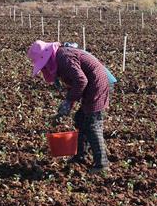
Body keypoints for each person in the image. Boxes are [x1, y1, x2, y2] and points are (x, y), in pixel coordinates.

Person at [26, 39, 113, 174]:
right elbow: (77, 82)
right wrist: (68, 104)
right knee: (80, 118)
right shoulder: (60, 56)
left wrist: (68, 102)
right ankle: (80, 156)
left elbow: (81, 80)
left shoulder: (64, 59)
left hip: (97, 85)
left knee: (92, 123)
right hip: (92, 84)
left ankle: (102, 164)